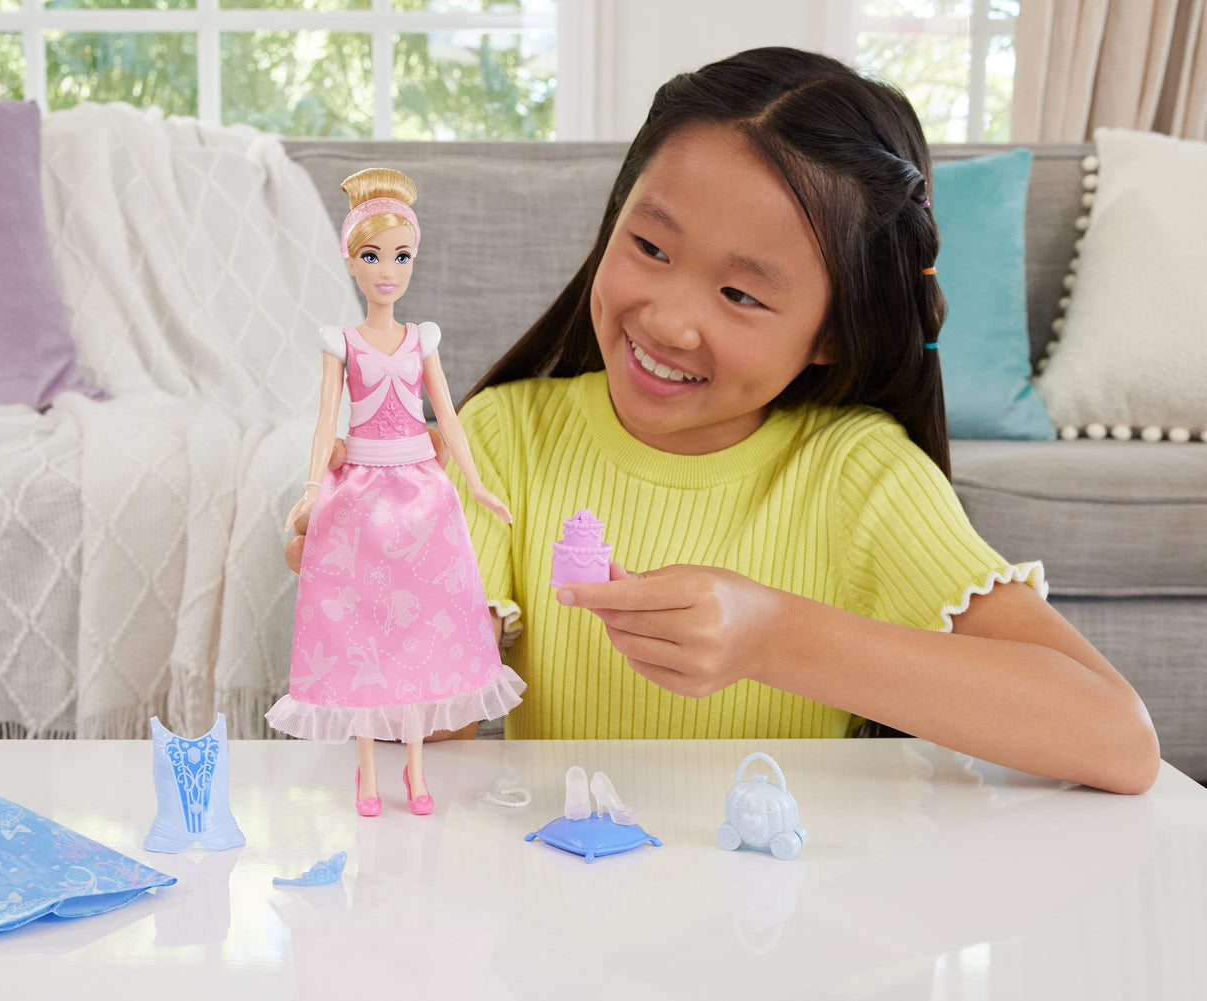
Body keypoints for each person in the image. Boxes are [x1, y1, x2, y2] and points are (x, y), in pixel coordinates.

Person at [287, 49, 1159, 795]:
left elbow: (1116, 739)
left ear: (833, 332)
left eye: (741, 293)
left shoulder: (859, 475)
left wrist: (772, 635)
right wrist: (368, 563)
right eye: (650, 247)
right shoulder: (507, 438)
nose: (669, 320)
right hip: (566, 911)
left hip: (788, 921)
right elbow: (425, 730)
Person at [266, 168, 525, 817]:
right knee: (360, 628)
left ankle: (414, 772)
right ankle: (365, 774)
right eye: (373, 256)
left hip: (421, 492)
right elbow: (327, 421)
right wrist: (311, 488)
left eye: (401, 256)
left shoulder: (421, 338)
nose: (388, 271)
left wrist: (478, 485)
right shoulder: (341, 342)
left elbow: (448, 417)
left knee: (418, 634)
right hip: (358, 493)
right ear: (351, 260)